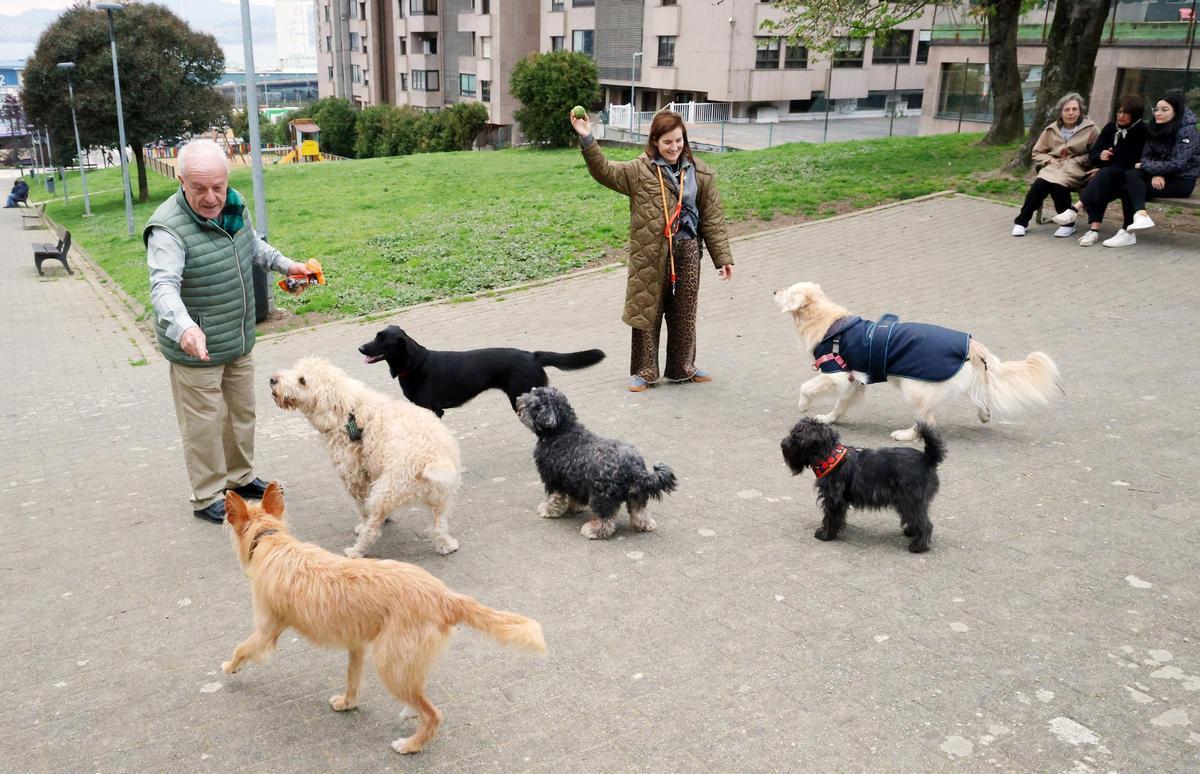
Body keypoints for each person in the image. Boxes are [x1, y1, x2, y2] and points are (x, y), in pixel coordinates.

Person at [145, 140, 311, 523]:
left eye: (217, 187)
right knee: (203, 425)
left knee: (240, 414)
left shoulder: (234, 204)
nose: (211, 197)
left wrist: (288, 266)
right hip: (196, 346)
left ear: (227, 179)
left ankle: (239, 477)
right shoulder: (167, 228)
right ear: (181, 181)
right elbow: (163, 286)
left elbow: (253, 247)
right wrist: (185, 328)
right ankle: (207, 495)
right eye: (199, 188)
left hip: (237, 337)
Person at [571, 109, 733, 392]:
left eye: (679, 140)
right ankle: (644, 371)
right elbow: (604, 171)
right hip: (650, 252)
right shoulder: (639, 170)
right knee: (647, 311)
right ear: (655, 141)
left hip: (687, 250)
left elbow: (713, 218)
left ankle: (682, 368)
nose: (674, 147)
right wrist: (587, 138)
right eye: (667, 142)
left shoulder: (700, 172)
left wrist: (722, 258)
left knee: (685, 314)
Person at [1102, 91, 1199, 248]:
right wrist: (1154, 172)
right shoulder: (1155, 127)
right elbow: (1145, 156)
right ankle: (1140, 217)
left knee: (1128, 187)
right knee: (1131, 176)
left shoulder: (1187, 131)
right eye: (1156, 109)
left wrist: (1153, 170)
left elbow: (1178, 163)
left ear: (1176, 111)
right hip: (1158, 173)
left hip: (1181, 180)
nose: (1158, 113)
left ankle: (1128, 231)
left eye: (1164, 110)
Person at [1062, 95, 1148, 246]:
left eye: (1126, 113)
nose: (1121, 116)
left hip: (1130, 176)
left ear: (1135, 114)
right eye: (1119, 112)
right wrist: (1101, 156)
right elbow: (1093, 154)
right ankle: (1093, 231)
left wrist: (1103, 167)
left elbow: (1131, 161)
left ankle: (1075, 210)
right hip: (1109, 174)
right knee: (1100, 180)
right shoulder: (1110, 128)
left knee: (1102, 176)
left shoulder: (1142, 131)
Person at [1012, 92, 1098, 238]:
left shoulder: (1091, 129)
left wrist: (1081, 161)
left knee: (1058, 184)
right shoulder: (1051, 129)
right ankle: (1021, 222)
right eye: (1067, 109)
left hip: (1077, 168)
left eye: (1074, 109)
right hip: (1054, 166)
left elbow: (1097, 153)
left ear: (1080, 111)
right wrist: (1049, 160)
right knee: (1040, 184)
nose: (1070, 113)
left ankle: (1067, 225)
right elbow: (1037, 152)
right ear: (1061, 112)